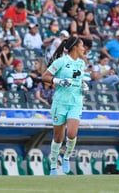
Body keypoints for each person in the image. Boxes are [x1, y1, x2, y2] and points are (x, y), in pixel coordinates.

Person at [42, 36, 86, 175]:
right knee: (58, 137)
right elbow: (45, 76)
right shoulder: (61, 61)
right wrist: (58, 80)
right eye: (82, 46)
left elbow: (78, 79)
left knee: (72, 134)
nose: (84, 49)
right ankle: (54, 166)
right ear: (75, 47)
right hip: (60, 103)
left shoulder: (81, 63)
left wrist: (83, 85)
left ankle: (66, 157)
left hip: (75, 103)